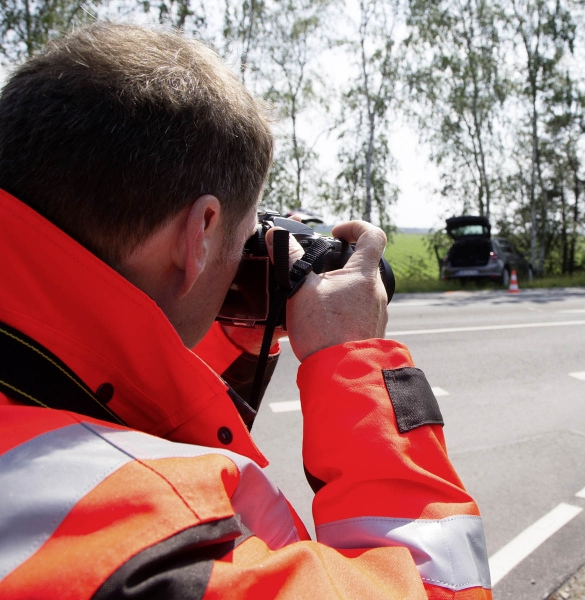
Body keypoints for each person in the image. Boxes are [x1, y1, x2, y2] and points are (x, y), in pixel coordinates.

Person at [0, 22, 491, 599]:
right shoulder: (162, 543)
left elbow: (94, 366)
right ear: (201, 231)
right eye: (241, 234)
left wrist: (231, 317)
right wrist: (351, 359)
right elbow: (434, 585)